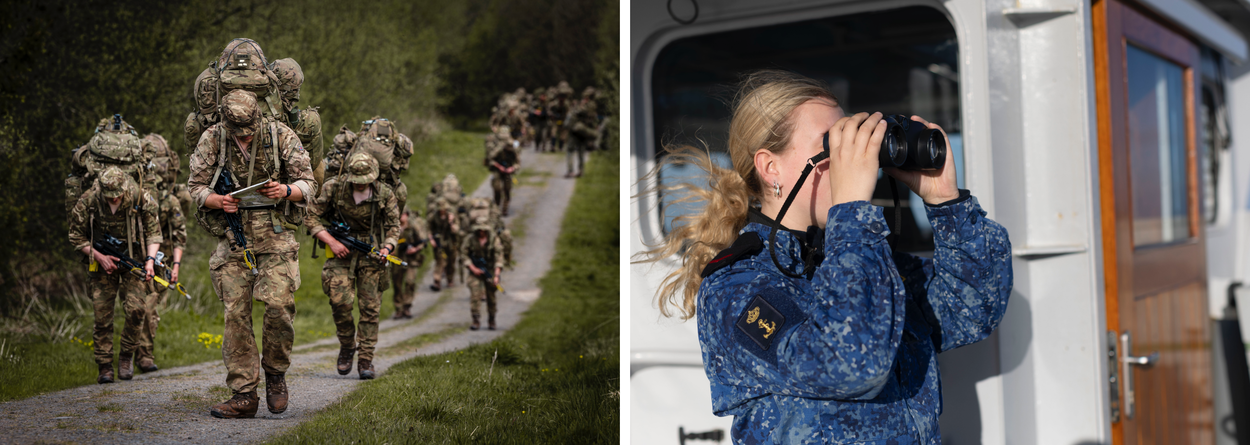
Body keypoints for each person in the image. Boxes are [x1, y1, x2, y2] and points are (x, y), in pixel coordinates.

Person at [635, 70, 1013, 443]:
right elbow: (853, 364)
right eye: (833, 145)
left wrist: (946, 203)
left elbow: (971, 310)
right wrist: (851, 212)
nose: (852, 159)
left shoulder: (861, 258)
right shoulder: (736, 289)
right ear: (771, 168)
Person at [187, 89, 315, 418]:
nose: (244, 137)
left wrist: (285, 190)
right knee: (235, 315)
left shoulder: (279, 134)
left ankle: (275, 374)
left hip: (276, 233)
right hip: (234, 235)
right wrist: (218, 201)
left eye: (248, 131)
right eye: (238, 132)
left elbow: (308, 184)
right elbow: (195, 187)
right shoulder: (213, 138)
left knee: (279, 306)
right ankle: (244, 394)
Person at [307, 152, 400, 380]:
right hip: (341, 250)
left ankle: (366, 358)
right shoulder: (334, 188)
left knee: (370, 308)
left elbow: (393, 226)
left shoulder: (384, 193)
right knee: (340, 302)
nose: (360, 184)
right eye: (356, 180)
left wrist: (387, 248)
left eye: (365, 180)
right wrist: (331, 242)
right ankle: (347, 345)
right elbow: (310, 216)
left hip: (372, 253)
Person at [68, 167, 162, 384]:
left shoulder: (139, 196)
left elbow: (154, 232)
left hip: (133, 260)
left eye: (118, 195)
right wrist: (99, 257)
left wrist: (150, 261)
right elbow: (76, 236)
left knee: (137, 309)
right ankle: (104, 366)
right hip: (102, 261)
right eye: (110, 195)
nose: (114, 198)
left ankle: (127, 356)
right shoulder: (89, 200)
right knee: (102, 315)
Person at [136, 156, 187, 374]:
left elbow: (179, 236)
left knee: (149, 307)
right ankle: (126, 353)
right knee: (134, 308)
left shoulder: (169, 202)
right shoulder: (134, 197)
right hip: (133, 257)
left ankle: (145, 355)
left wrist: (175, 266)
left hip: (159, 262)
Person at [461, 216, 503, 330]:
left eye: (483, 229)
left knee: (491, 296)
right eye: (479, 229)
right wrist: (473, 268)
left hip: (489, 270)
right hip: (475, 270)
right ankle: (475, 320)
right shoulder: (470, 239)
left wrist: (496, 275)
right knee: (475, 293)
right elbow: (464, 255)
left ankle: (492, 319)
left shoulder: (494, 239)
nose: (481, 232)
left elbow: (499, 257)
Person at [391, 207, 429, 319]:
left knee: (410, 281)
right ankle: (399, 308)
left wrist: (415, 249)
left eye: (403, 214)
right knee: (397, 284)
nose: (401, 217)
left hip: (411, 260)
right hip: (397, 259)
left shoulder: (413, 227)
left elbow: (422, 241)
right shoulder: (393, 227)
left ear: (407, 215)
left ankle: (407, 306)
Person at [565, 87, 599, 178]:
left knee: (570, 150)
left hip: (577, 130)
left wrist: (580, 105)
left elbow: (578, 112)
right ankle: (581, 171)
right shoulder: (593, 105)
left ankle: (570, 171)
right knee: (581, 151)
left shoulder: (587, 104)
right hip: (584, 130)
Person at [486, 125, 520, 215]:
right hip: (497, 169)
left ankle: (505, 209)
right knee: (497, 188)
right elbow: (490, 159)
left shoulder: (513, 147)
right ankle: (497, 207)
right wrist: (499, 166)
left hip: (508, 169)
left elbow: (518, 163)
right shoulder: (496, 146)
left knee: (507, 189)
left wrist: (512, 168)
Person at [428, 197, 460, 291]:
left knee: (451, 262)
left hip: (451, 242)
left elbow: (456, 230)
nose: (442, 210)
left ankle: (450, 279)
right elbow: (428, 228)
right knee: (440, 261)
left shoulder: (452, 216)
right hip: (439, 242)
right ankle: (437, 281)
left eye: (443, 208)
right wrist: (431, 239)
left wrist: (451, 222)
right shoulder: (433, 216)